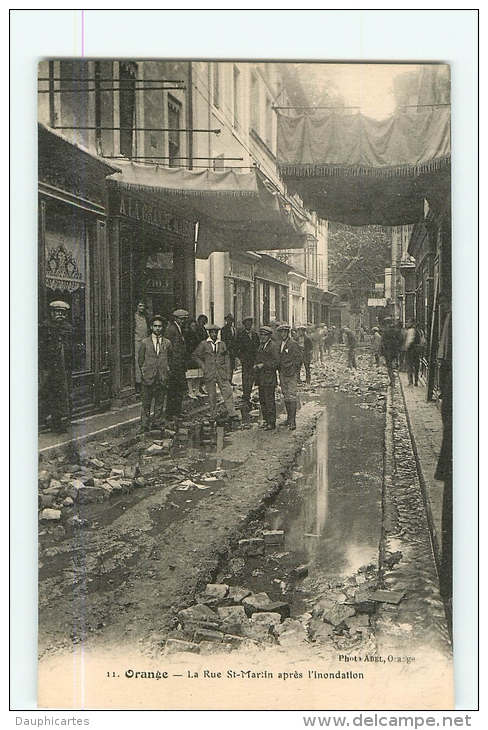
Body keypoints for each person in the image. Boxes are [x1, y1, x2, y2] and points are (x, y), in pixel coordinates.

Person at [192, 324, 240, 424]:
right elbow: (195, 356)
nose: (214, 334)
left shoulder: (222, 344)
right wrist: (203, 366)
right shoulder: (204, 344)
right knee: (211, 395)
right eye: (212, 332)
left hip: (221, 372)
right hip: (210, 372)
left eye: (215, 332)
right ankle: (213, 415)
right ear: (209, 333)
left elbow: (226, 358)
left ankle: (232, 413)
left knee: (227, 392)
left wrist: (228, 371)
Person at [39, 300, 74, 432]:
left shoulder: (68, 328)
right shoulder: (45, 327)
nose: (60, 315)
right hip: (49, 368)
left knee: (63, 393)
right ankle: (44, 420)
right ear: (52, 313)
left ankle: (58, 420)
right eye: (57, 312)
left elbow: (72, 348)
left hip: (64, 367)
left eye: (63, 313)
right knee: (47, 392)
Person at [138, 315, 172, 432]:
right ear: (151, 327)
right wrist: (144, 372)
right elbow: (140, 360)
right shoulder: (145, 342)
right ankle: (144, 425)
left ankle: (157, 423)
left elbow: (170, 359)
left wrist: (166, 371)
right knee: (146, 403)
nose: (157, 328)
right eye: (155, 326)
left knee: (160, 401)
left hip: (161, 376)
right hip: (148, 377)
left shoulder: (167, 343)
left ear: (162, 328)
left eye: (160, 326)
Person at [165, 309, 189, 422]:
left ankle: (177, 412)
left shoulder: (179, 329)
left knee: (178, 389)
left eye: (185, 319)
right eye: (182, 319)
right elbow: (168, 348)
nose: (184, 321)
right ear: (176, 319)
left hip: (179, 364)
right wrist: (170, 364)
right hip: (174, 364)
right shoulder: (171, 330)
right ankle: (171, 413)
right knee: (173, 390)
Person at [253, 325, 280, 430]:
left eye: (265, 335)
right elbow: (258, 358)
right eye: (261, 335)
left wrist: (263, 365)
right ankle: (265, 420)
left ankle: (271, 422)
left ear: (269, 336)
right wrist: (256, 365)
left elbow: (276, 362)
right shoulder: (261, 346)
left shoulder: (273, 347)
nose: (263, 337)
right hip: (261, 378)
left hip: (269, 378)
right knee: (262, 400)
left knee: (269, 400)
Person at [277, 323, 303, 430]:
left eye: (284, 332)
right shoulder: (280, 344)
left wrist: (293, 371)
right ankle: (288, 418)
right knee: (286, 395)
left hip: (290, 374)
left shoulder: (293, 344)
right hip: (283, 373)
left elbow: (299, 360)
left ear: (288, 333)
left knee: (292, 396)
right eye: (281, 332)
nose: (283, 334)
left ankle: (293, 421)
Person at [235, 316, 260, 416]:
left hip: (253, 360)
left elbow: (258, 346)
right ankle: (246, 396)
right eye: (247, 323)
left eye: (251, 323)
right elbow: (237, 347)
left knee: (252, 377)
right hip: (246, 361)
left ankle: (249, 393)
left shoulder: (255, 335)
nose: (249, 325)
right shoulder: (240, 335)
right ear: (244, 324)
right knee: (245, 377)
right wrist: (241, 358)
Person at [381, 317, 403, 385]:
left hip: (388, 350)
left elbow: (383, 342)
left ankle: (392, 380)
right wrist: (398, 346)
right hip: (395, 350)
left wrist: (382, 352)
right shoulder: (397, 330)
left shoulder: (385, 331)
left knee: (389, 366)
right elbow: (401, 339)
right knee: (396, 364)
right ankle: (395, 376)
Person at [185, 319, 203, 399]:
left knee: (198, 374)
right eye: (192, 326)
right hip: (190, 356)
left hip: (197, 356)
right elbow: (188, 346)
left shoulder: (197, 334)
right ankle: (190, 391)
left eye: (195, 326)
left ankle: (197, 391)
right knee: (190, 375)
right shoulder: (188, 334)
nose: (194, 328)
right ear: (189, 326)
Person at [134, 301, 149, 394]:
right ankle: (138, 383)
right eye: (140, 305)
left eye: (143, 305)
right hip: (137, 342)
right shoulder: (135, 317)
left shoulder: (144, 317)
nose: (142, 307)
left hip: (144, 341)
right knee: (137, 362)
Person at [404, 320, 425, 386]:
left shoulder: (411, 330)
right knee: (416, 366)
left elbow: (410, 340)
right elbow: (423, 341)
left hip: (411, 350)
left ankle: (410, 382)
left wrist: (406, 347)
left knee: (409, 365)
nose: (407, 324)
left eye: (409, 322)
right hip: (417, 350)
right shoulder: (420, 331)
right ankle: (416, 381)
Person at [221, 313, 237, 384]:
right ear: (226, 320)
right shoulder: (224, 329)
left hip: (233, 350)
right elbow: (223, 340)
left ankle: (230, 380)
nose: (230, 321)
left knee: (232, 366)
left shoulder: (234, 329)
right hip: (227, 349)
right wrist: (226, 349)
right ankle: (226, 380)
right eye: (228, 320)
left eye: (231, 320)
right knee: (227, 365)